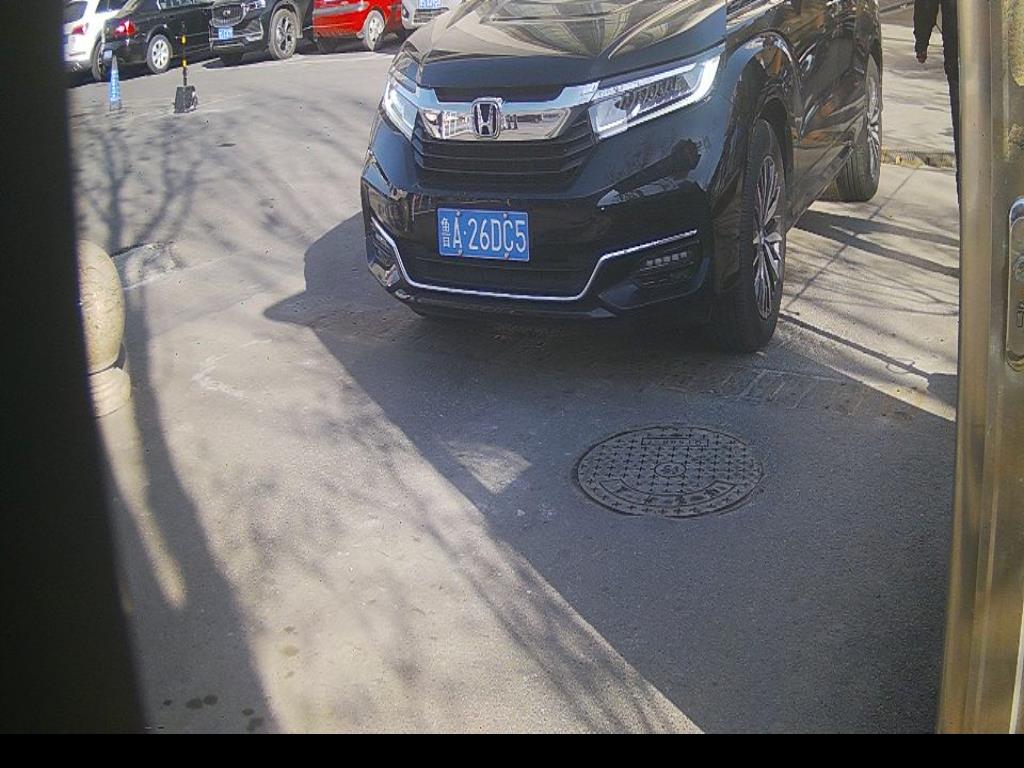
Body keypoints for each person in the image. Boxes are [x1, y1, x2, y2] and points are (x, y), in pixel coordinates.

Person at [914, 0, 960, 191]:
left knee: (964, 133)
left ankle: (968, 198)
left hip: (959, 58)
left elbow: (926, 4)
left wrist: (921, 42)